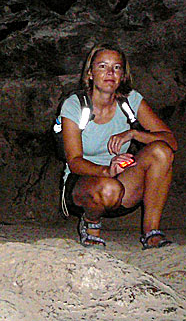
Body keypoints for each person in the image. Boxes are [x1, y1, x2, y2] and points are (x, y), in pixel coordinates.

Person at [60, 43, 177, 249]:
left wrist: (134, 133)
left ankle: (151, 233)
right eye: (102, 66)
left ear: (123, 75)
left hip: (123, 183)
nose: (110, 73)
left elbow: (170, 141)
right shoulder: (75, 105)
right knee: (108, 187)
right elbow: (74, 161)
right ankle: (91, 224)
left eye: (116, 67)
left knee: (161, 151)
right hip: (83, 184)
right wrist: (106, 170)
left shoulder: (130, 101)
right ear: (90, 73)